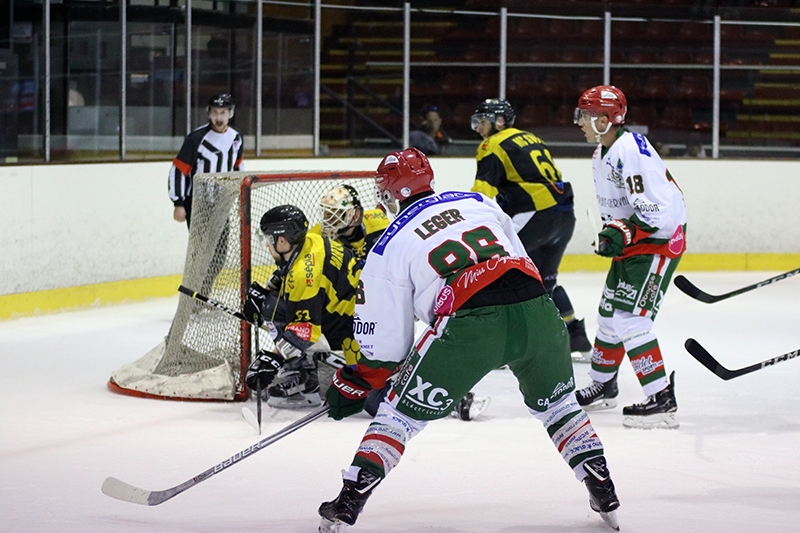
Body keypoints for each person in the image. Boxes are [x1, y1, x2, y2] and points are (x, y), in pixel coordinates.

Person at [318, 148, 620, 532]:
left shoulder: (388, 242)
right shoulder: (476, 201)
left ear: (392, 193)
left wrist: (360, 379)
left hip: (471, 324)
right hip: (538, 312)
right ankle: (602, 486)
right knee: (560, 407)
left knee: (397, 415)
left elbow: (386, 346)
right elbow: (520, 256)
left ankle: (349, 501)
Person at [317, 183, 490, 421]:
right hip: (349, 312)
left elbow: (393, 269)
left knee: (395, 362)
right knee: (372, 389)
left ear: (355, 215)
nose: (328, 221)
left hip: (382, 307)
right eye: (326, 214)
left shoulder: (378, 225)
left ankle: (447, 395)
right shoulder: (320, 238)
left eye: (334, 215)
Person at [573, 85, 687, 429]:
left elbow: (654, 212)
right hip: (634, 242)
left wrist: (619, 232)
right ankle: (604, 384)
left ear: (607, 120)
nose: (579, 122)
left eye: (586, 115)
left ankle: (661, 397)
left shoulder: (631, 151)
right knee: (609, 314)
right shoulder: (602, 153)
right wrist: (614, 234)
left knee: (631, 320)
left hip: (657, 242)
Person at [469, 97, 593, 361]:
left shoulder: (492, 144)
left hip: (534, 214)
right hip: (563, 216)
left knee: (495, 272)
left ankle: (503, 345)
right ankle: (574, 334)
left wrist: (467, 222)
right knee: (545, 279)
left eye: (482, 121)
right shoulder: (530, 138)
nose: (479, 128)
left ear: (499, 121)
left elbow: (482, 194)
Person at [242, 204, 361, 409]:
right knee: (272, 301)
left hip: (353, 329)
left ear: (281, 240)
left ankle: (303, 380)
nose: (267, 247)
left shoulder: (305, 277)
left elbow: (305, 331)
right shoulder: (312, 238)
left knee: (273, 308)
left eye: (268, 241)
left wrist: (273, 359)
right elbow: (287, 271)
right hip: (359, 309)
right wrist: (268, 288)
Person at [168, 94, 244, 229]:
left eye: (223, 112)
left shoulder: (236, 137)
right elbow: (179, 170)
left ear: (231, 114)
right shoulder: (196, 138)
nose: (219, 118)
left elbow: (237, 167)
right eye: (214, 112)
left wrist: (240, 195)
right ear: (209, 113)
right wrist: (178, 203)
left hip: (223, 203)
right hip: (198, 203)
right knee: (201, 248)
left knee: (221, 247)